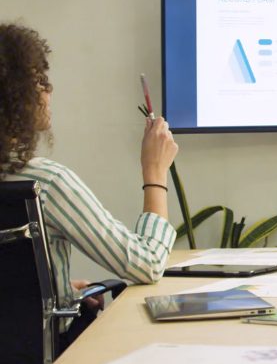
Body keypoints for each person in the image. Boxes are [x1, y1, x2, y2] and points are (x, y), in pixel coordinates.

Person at [0, 22, 180, 343]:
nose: (49, 90)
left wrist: (57, 289)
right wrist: (154, 171)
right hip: (46, 361)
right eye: (40, 81)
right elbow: (147, 264)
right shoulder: (45, 183)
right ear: (15, 97)